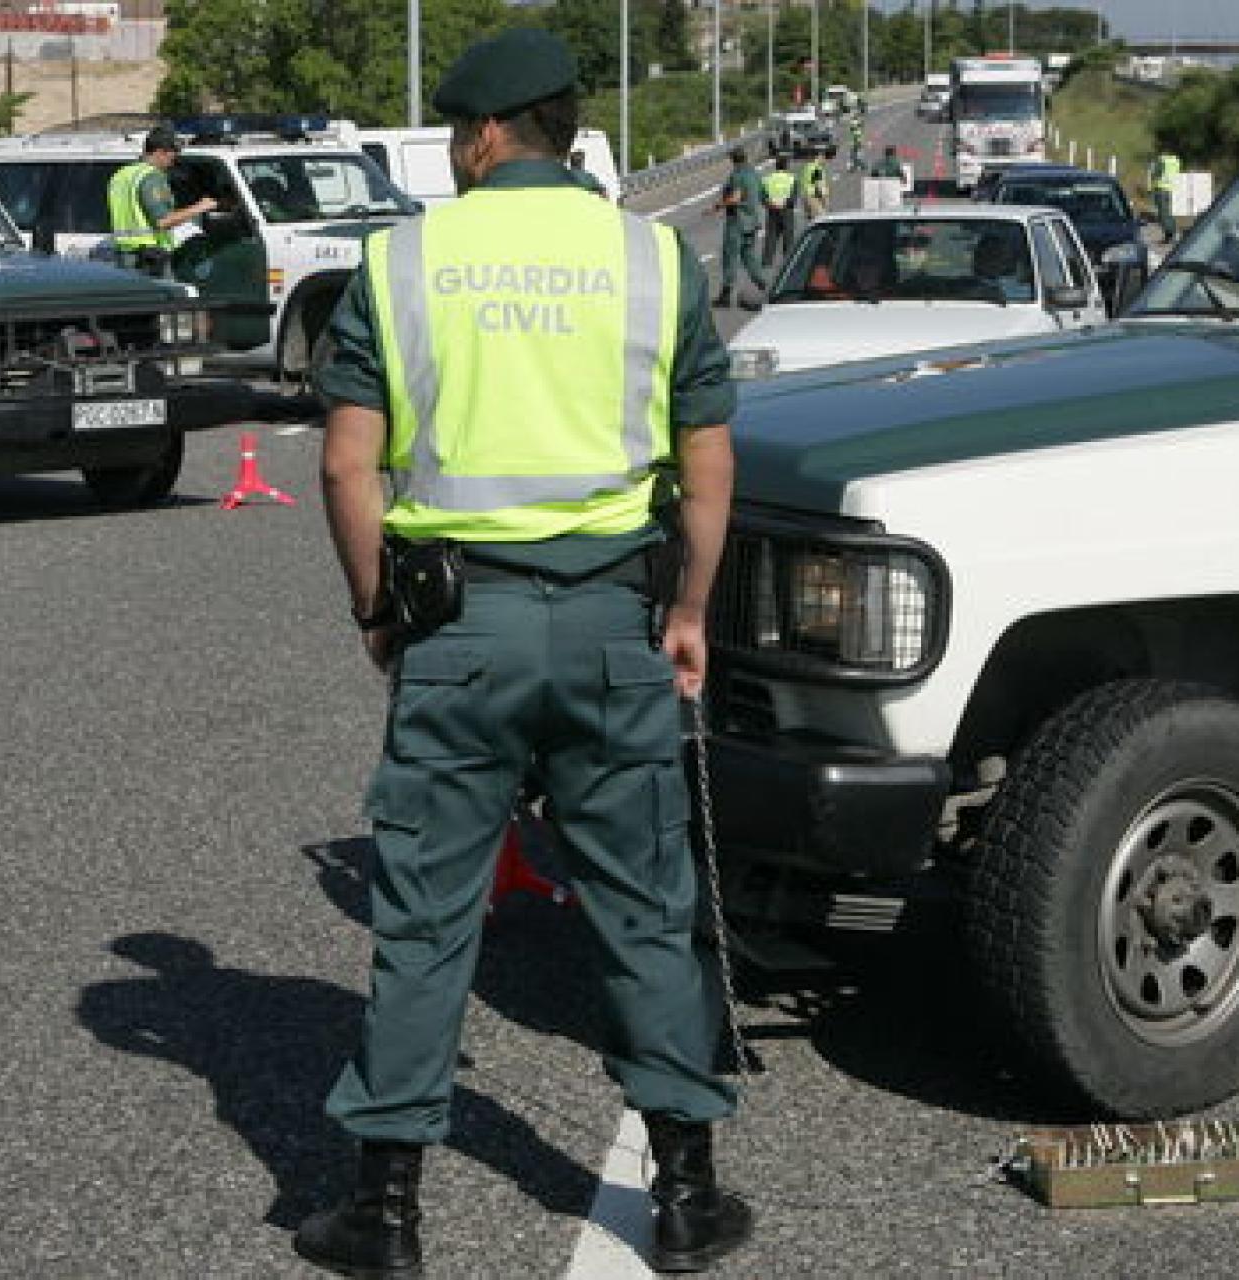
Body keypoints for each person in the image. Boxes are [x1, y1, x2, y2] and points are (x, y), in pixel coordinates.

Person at [303, 26, 749, 1280]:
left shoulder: (400, 261)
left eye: (455, 134)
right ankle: (685, 1194)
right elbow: (707, 462)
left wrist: (376, 612)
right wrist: (690, 612)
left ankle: (384, 1213)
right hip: (613, 622)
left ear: (487, 134)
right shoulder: (654, 258)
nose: (452, 153)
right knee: (642, 907)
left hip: (459, 628)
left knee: (426, 918)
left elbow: (346, 462)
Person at [105, 125, 217, 278]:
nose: (173, 162)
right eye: (172, 156)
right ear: (159, 152)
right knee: (166, 299)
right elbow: (163, 221)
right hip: (149, 258)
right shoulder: (152, 176)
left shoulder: (121, 175)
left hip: (124, 254)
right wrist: (201, 206)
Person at [713, 145, 768, 309]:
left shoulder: (737, 175)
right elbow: (764, 196)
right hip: (752, 222)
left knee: (730, 258)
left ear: (733, 160)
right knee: (749, 256)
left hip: (737, 222)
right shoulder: (755, 174)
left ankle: (725, 295)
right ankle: (764, 286)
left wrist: (719, 205)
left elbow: (735, 198)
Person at [759, 154, 796, 268]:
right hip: (786, 210)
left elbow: (762, 196)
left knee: (771, 236)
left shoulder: (767, 179)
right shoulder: (792, 179)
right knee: (788, 237)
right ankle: (788, 261)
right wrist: (785, 203)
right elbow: (793, 197)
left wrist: (770, 204)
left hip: (772, 210)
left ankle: (766, 261)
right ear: (786, 166)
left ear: (776, 166)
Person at [1150, 150, 1181, 243]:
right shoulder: (1176, 161)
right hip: (1170, 189)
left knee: (1163, 214)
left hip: (1160, 189)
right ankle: (1170, 236)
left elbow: (1155, 174)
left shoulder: (1162, 161)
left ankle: (1171, 234)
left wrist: (1153, 169)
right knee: (1167, 213)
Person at [798, 149, 830, 221]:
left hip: (806, 196)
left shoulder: (807, 167)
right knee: (822, 219)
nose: (824, 160)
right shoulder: (817, 169)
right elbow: (819, 185)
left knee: (810, 219)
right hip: (814, 197)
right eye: (823, 157)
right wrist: (825, 199)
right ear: (818, 157)